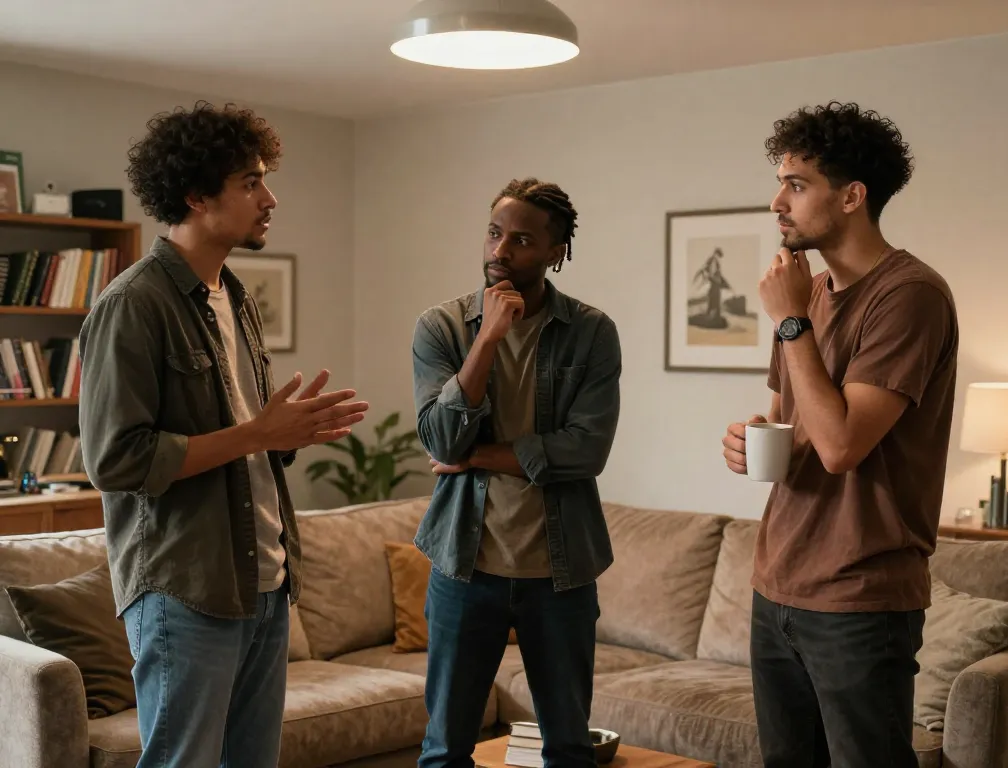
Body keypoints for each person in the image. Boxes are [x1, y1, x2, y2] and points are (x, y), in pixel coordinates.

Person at [78, 101, 369, 768]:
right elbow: (116, 459)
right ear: (194, 194)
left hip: (262, 581)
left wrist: (285, 432)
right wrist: (257, 433)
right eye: (250, 182)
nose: (269, 198)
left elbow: (241, 432)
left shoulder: (234, 296)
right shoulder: (132, 304)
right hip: (184, 587)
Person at [721, 101, 959, 767]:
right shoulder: (809, 291)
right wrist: (752, 437)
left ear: (852, 196)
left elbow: (840, 446)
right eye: (780, 182)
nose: (777, 201)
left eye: (797, 184)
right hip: (777, 586)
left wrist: (790, 322)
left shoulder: (910, 296)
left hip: (859, 597)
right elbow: (792, 422)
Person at [411, 177, 621, 768]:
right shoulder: (443, 328)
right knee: (444, 750)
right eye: (494, 233)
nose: (499, 251)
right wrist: (488, 341)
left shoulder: (592, 332)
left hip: (560, 572)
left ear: (556, 253)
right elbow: (441, 437)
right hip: (463, 565)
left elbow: (585, 452)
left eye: (522, 240)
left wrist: (475, 457)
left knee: (569, 749)